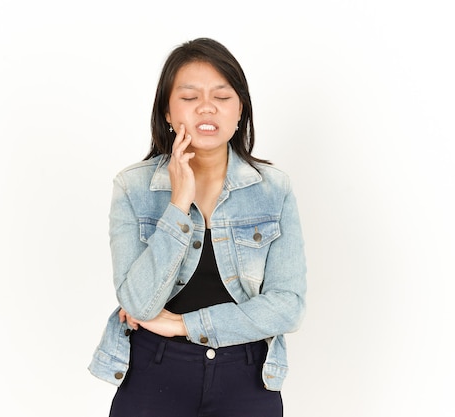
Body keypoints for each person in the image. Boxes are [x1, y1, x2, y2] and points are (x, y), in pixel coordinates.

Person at [88, 37, 307, 417]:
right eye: (189, 97)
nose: (207, 107)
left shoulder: (274, 190)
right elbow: (137, 303)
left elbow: (288, 307)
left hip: (247, 376)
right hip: (152, 372)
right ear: (168, 113)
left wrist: (184, 325)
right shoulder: (133, 187)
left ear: (241, 110)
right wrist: (178, 202)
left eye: (222, 96)